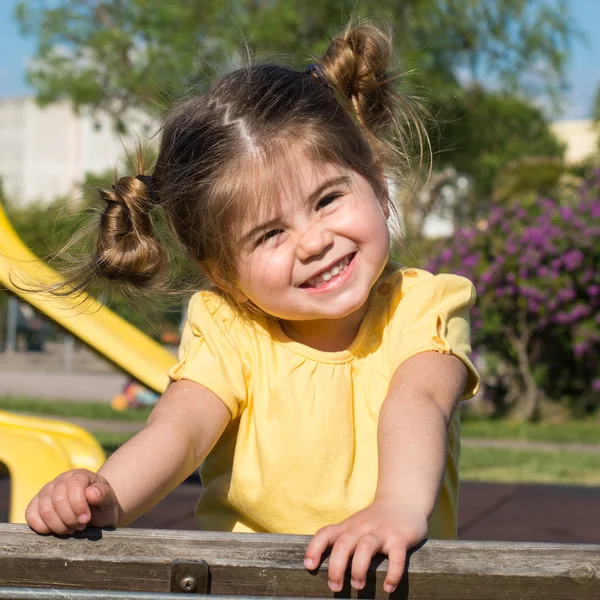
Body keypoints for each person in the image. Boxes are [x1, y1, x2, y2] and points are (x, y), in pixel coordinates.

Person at [25, 22, 479, 594]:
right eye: (269, 234)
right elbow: (181, 430)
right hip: (253, 584)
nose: (313, 242)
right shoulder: (230, 328)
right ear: (221, 273)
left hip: (391, 583)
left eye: (328, 199)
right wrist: (105, 494)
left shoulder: (423, 305)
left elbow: (419, 399)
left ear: (377, 180)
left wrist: (394, 507)